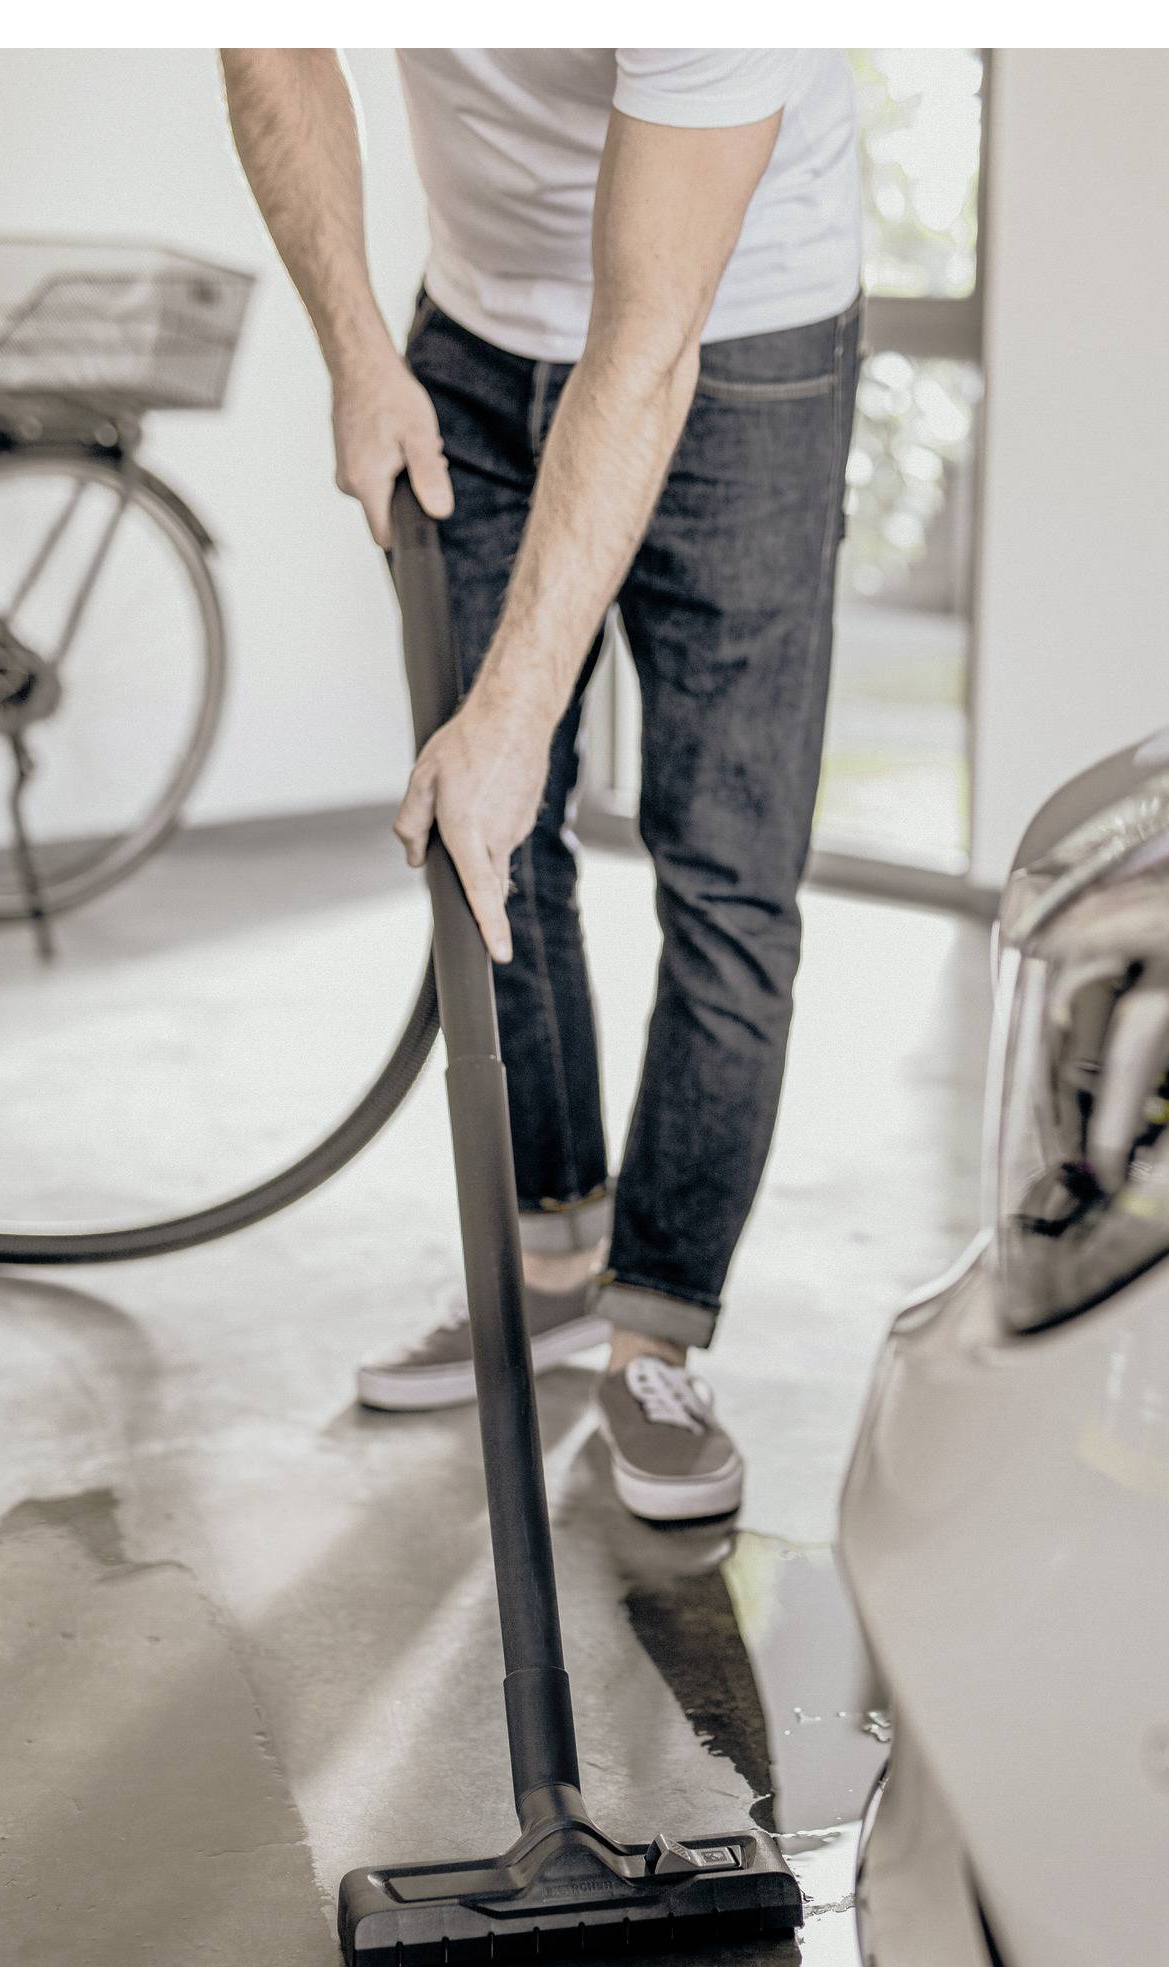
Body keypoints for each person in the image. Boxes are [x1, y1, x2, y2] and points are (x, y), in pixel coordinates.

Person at [221, 49, 862, 1522]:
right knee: (491, 840)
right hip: (474, 330)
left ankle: (658, 1336)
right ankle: (556, 1262)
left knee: (730, 865)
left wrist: (511, 713)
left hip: (740, 339)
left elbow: (648, 339)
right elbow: (270, 47)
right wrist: (360, 349)